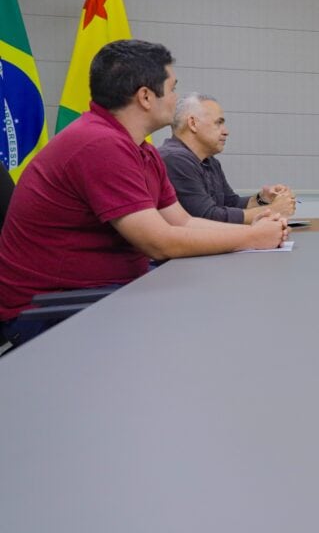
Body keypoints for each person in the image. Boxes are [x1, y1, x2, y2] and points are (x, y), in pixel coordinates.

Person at [0, 40, 288, 346]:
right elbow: (159, 243)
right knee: (210, 326)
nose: (176, 99)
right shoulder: (99, 144)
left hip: (103, 293)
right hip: (49, 311)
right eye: (173, 88)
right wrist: (252, 238)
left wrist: (253, 230)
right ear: (146, 96)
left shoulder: (142, 150)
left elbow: (182, 222)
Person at [159, 92, 296, 223]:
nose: (226, 131)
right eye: (218, 123)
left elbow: (231, 203)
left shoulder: (210, 162)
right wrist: (273, 210)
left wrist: (263, 199)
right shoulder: (174, 160)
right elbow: (207, 217)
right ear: (193, 123)